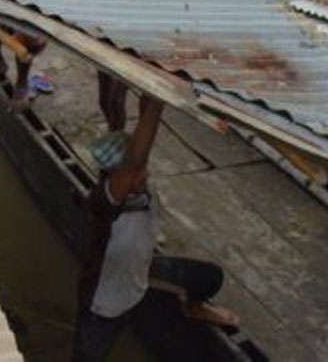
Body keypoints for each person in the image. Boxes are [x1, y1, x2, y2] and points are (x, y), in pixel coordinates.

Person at [74, 91, 238, 361]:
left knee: (210, 277)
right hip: (105, 304)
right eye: (137, 170)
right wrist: (157, 104)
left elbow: (140, 155)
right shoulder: (105, 202)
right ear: (117, 175)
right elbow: (137, 158)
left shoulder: (140, 188)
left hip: (141, 272)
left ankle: (192, 307)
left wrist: (151, 94)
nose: (146, 172)